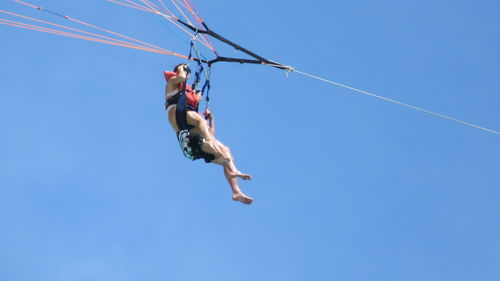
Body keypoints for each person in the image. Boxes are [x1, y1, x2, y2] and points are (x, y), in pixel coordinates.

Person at [165, 63, 254, 204]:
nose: (187, 73)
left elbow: (210, 133)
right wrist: (182, 67)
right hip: (182, 126)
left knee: (225, 150)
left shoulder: (191, 112)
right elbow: (181, 77)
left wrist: (211, 120)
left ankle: (236, 191)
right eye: (185, 71)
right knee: (204, 130)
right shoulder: (172, 82)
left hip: (192, 142)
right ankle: (223, 161)